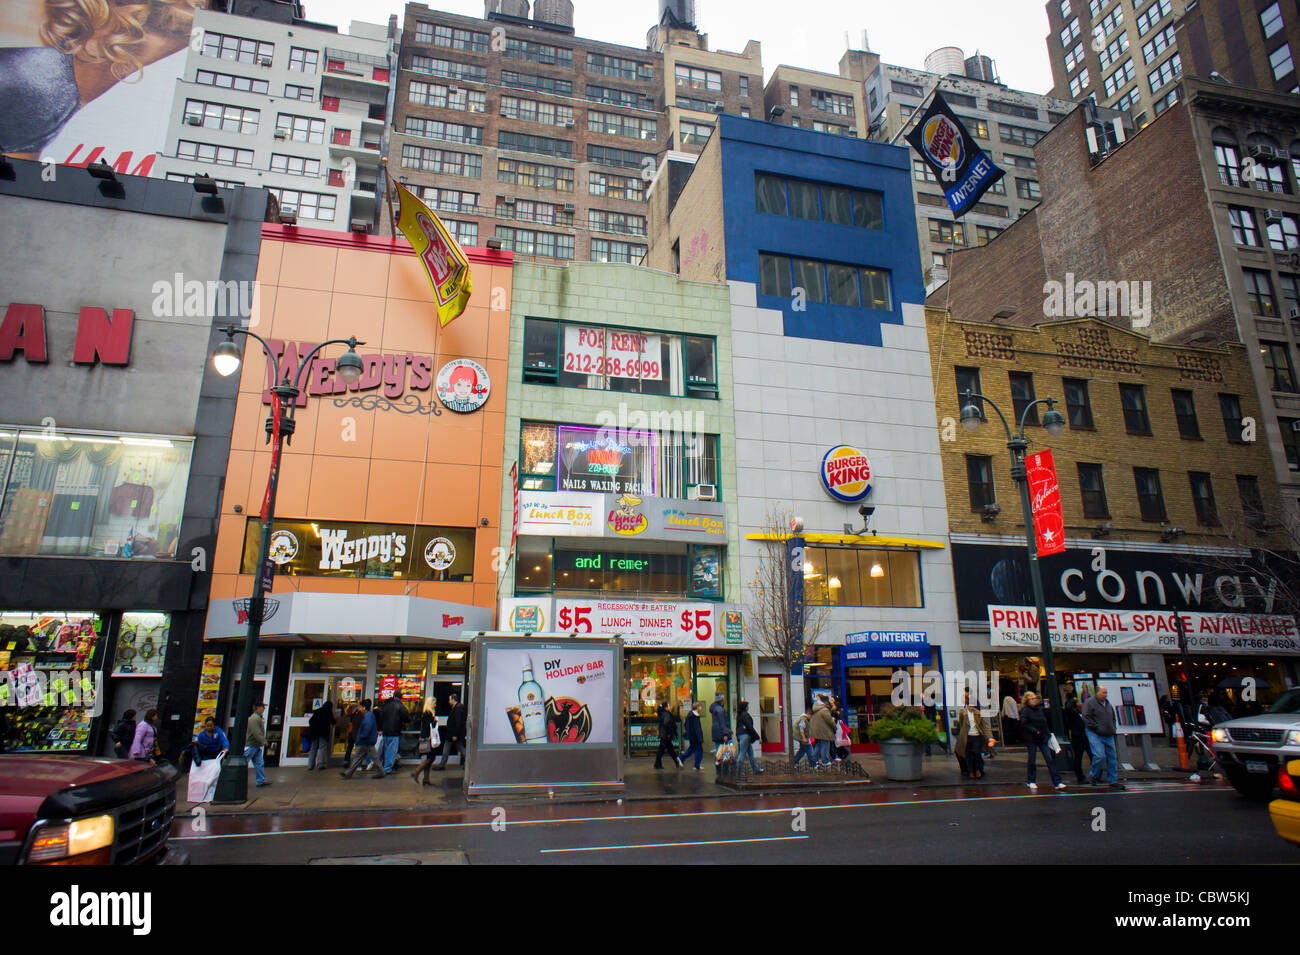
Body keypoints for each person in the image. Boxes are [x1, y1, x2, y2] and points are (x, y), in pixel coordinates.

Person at [1019, 692, 1065, 791]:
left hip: (1042, 738)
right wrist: (1036, 731)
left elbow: (1044, 723)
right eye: (1032, 698)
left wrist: (1046, 733)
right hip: (1032, 738)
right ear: (1027, 701)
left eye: (1035, 698)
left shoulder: (1039, 710)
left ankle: (1057, 782)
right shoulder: (1026, 711)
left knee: (1049, 759)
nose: (1035, 700)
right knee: (1032, 759)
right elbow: (1024, 724)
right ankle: (1031, 780)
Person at [1083, 685, 1124, 789]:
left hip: (1108, 733)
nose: (1105, 695)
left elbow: (1112, 716)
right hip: (1095, 733)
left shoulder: (1108, 704)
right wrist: (1096, 728)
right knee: (1100, 755)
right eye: (1103, 693)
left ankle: (1112, 780)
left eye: (1106, 693)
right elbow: (1086, 717)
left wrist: (1113, 727)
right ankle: (1093, 775)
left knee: (1112, 757)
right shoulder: (1090, 702)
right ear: (1097, 693)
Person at [340, 699, 384, 779]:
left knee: (367, 758)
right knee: (367, 758)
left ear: (363, 707)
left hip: (366, 741)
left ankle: (349, 773)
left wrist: (360, 737)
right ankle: (348, 773)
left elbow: (366, 729)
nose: (358, 708)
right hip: (367, 741)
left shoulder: (368, 716)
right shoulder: (368, 715)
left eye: (359, 706)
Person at [955, 698, 992, 779]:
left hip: (976, 736)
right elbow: (961, 724)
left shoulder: (978, 713)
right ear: (967, 705)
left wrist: (990, 737)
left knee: (976, 753)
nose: (971, 707)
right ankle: (971, 771)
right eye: (970, 705)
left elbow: (984, 726)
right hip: (967, 736)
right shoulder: (962, 713)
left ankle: (977, 770)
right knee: (968, 754)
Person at [410, 698, 440, 786]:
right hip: (429, 739)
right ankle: (417, 772)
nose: (435, 705)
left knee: (429, 758)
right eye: (434, 703)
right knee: (430, 758)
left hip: (426, 738)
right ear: (430, 704)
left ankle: (426, 779)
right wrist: (435, 720)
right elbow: (430, 727)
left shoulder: (425, 713)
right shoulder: (428, 714)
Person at [378, 693, 411, 773]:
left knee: (385, 749)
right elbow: (406, 717)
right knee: (392, 751)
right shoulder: (399, 705)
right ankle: (387, 768)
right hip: (395, 731)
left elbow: (381, 717)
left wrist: (381, 728)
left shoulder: (386, 705)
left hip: (385, 731)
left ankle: (383, 765)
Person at [1065, 698, 1090, 784]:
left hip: (1087, 737)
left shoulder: (1085, 714)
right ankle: (1080, 776)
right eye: (1080, 705)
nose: (1082, 706)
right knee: (1078, 757)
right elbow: (1068, 707)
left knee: (1094, 756)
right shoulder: (1073, 714)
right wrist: (1073, 700)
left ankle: (1095, 774)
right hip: (1077, 737)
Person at [305, 699, 335, 770]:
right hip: (323, 733)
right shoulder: (328, 712)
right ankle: (320, 764)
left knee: (313, 748)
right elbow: (333, 721)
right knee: (322, 747)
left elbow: (311, 720)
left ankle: (310, 765)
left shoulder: (318, 711)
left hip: (314, 732)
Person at [735, 700, 763, 775]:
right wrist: (758, 737)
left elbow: (737, 727)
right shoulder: (745, 715)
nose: (748, 707)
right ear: (745, 707)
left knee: (750, 753)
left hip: (741, 735)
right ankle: (738, 770)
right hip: (746, 736)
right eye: (747, 706)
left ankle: (755, 769)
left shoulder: (739, 715)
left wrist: (738, 737)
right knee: (742, 753)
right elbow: (750, 727)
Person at [246, 701, 269, 787]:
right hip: (251, 745)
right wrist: (264, 741)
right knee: (244, 761)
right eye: (262, 707)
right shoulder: (254, 718)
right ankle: (238, 778)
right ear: (257, 708)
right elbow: (256, 732)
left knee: (259, 763)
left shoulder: (258, 718)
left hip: (256, 745)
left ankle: (261, 780)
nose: (264, 708)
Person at [654, 701, 683, 769]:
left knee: (669, 749)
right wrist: (669, 733)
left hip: (664, 735)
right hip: (666, 735)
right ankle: (658, 764)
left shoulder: (663, 713)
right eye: (668, 706)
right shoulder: (667, 714)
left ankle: (676, 762)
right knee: (664, 750)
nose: (670, 707)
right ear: (666, 707)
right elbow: (666, 724)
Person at [809, 696, 836, 768]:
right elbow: (829, 720)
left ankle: (813, 761)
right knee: (825, 745)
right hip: (824, 731)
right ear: (825, 702)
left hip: (816, 731)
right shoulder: (824, 710)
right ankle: (825, 761)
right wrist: (834, 727)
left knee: (817, 746)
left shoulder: (815, 708)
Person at [680, 701, 705, 770]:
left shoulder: (690, 715)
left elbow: (686, 725)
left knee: (692, 749)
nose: (701, 708)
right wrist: (700, 737)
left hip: (692, 736)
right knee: (698, 750)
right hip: (696, 737)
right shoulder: (695, 716)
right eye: (700, 706)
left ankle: (682, 758)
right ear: (697, 708)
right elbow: (697, 729)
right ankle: (696, 764)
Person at [709, 692, 732, 758]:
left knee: (718, 749)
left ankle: (718, 764)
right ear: (721, 699)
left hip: (716, 732)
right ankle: (723, 765)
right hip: (721, 732)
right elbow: (722, 722)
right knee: (726, 752)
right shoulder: (719, 709)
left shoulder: (714, 708)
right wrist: (726, 734)